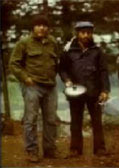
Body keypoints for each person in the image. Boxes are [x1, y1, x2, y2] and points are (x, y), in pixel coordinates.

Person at [9, 15, 60, 162]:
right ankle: (32, 151)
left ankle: (50, 150)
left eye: (44, 25)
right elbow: (14, 64)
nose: (42, 28)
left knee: (51, 119)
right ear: (33, 27)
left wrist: (53, 77)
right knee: (30, 119)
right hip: (33, 86)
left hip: (50, 86)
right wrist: (25, 78)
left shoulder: (53, 42)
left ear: (48, 28)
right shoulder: (24, 43)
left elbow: (56, 62)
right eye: (38, 25)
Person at [59, 21, 110, 157]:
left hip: (95, 91)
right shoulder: (68, 50)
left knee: (97, 121)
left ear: (92, 33)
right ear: (77, 33)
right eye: (83, 32)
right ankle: (75, 149)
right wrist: (67, 80)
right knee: (75, 121)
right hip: (75, 91)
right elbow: (62, 69)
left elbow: (104, 71)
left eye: (88, 32)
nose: (86, 35)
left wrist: (105, 90)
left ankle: (100, 148)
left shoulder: (97, 50)